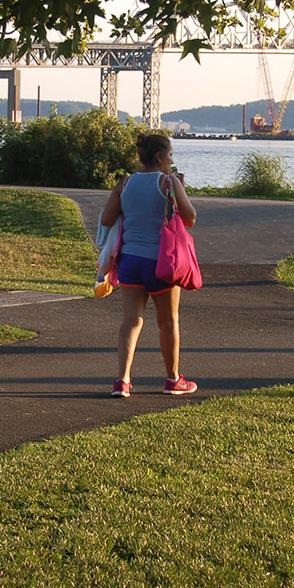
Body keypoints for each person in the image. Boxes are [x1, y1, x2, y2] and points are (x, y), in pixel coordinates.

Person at [100, 133, 198, 397]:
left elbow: (108, 218)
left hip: (130, 260)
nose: (171, 160)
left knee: (130, 321)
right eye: (170, 156)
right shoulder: (167, 182)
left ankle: (122, 381)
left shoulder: (126, 183)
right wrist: (180, 189)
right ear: (158, 156)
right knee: (168, 321)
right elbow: (190, 218)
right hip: (162, 262)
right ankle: (173, 379)